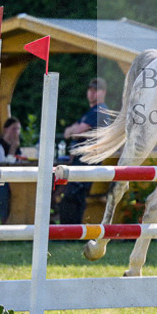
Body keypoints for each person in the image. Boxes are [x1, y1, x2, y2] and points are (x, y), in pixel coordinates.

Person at [59, 77, 112, 224]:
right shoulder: (93, 111)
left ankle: (69, 233)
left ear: (103, 92)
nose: (92, 93)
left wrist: (72, 131)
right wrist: (72, 130)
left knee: (73, 196)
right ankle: (70, 232)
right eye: (90, 89)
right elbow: (69, 131)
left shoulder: (98, 111)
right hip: (84, 162)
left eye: (96, 90)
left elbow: (76, 131)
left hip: (87, 162)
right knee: (73, 197)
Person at [0, 117, 21, 224]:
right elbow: (4, 164)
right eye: (14, 129)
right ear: (5, 129)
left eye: (18, 129)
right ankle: (5, 220)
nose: (16, 132)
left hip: (16, 176)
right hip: (1, 177)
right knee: (2, 187)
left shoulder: (17, 145)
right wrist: (13, 148)